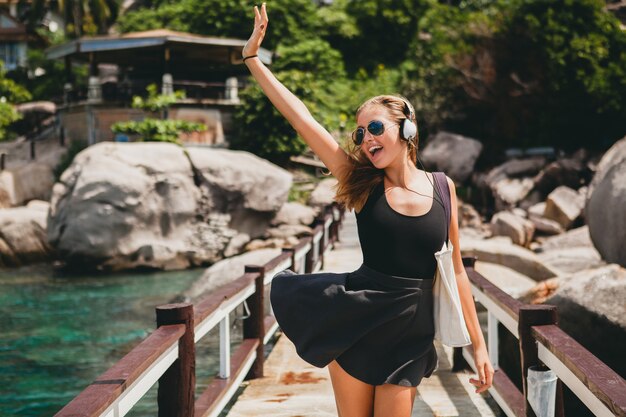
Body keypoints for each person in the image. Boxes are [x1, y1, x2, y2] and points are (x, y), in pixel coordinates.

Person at [242, 3, 494, 416]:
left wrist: (479, 347)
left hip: (413, 331)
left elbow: (457, 271)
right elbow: (302, 119)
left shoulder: (444, 188)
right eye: (360, 133)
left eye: (376, 128)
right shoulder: (361, 183)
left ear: (406, 129)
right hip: (357, 323)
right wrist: (253, 59)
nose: (366, 139)